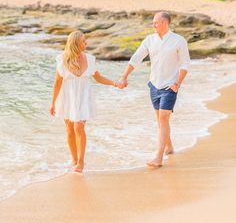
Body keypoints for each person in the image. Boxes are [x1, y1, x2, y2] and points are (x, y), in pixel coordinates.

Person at [118, 12, 190, 168]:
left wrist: (177, 83)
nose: (153, 25)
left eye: (155, 22)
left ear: (165, 23)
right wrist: (124, 76)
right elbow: (136, 58)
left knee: (163, 118)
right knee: (160, 120)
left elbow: (185, 65)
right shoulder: (149, 40)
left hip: (170, 86)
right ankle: (169, 147)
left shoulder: (178, 41)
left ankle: (158, 158)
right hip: (154, 85)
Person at [50, 30, 122, 173]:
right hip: (67, 97)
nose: (86, 43)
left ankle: (81, 162)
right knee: (69, 130)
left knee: (78, 127)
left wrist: (115, 83)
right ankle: (74, 159)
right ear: (76, 44)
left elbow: (98, 78)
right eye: (83, 41)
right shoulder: (62, 59)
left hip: (83, 97)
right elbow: (57, 83)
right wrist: (53, 103)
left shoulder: (89, 59)